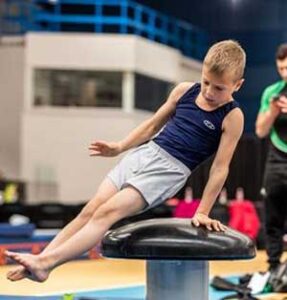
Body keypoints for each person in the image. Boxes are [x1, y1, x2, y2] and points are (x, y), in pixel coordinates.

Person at [5, 40, 246, 283]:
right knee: (90, 210)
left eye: (219, 88)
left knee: (107, 213)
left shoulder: (232, 116)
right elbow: (152, 126)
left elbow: (219, 168)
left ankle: (46, 263)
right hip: (145, 154)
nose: (208, 92)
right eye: (206, 82)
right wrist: (119, 146)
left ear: (237, 85)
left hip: (170, 171)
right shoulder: (185, 90)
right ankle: (40, 262)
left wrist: (202, 211)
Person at [256, 43, 287, 271]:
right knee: (272, 218)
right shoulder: (271, 92)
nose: (284, 73)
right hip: (276, 159)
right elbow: (260, 130)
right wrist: (273, 111)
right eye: (280, 68)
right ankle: (274, 268)